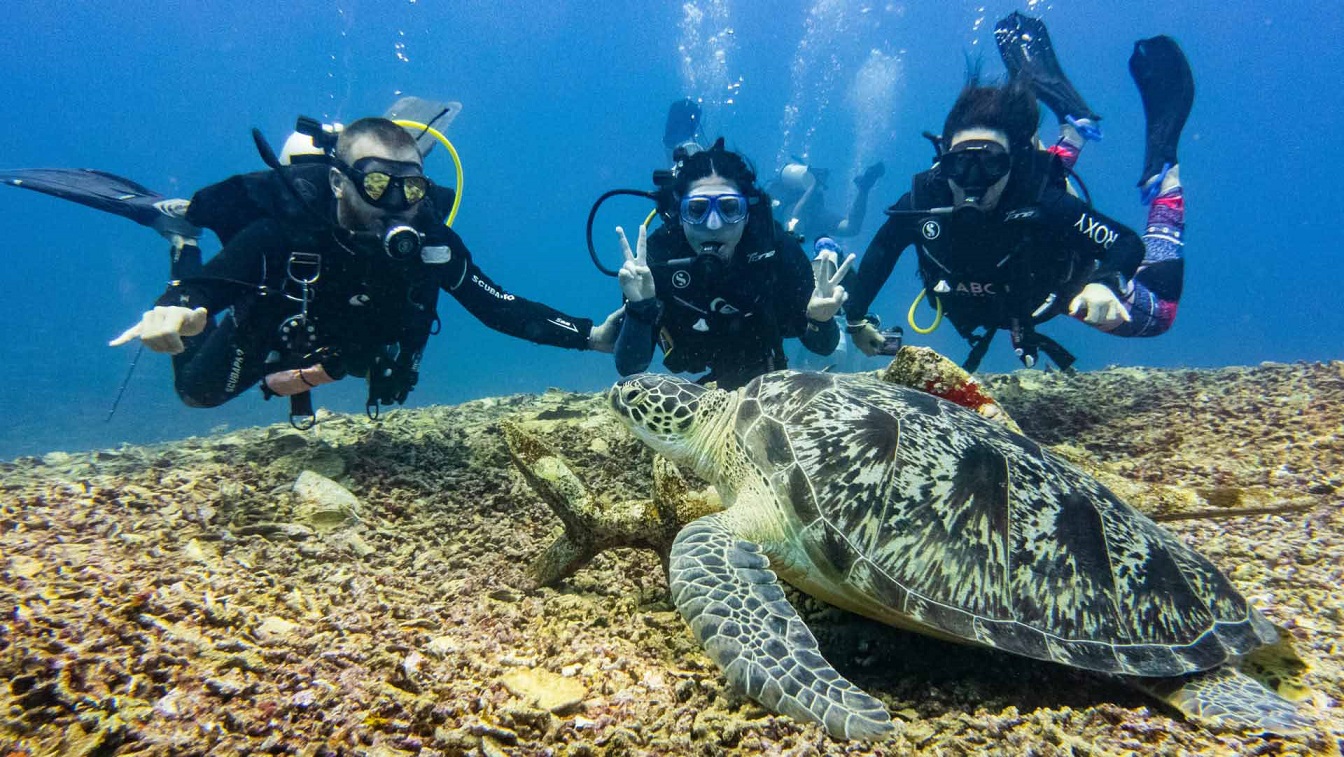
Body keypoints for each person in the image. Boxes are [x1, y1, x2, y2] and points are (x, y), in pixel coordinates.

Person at [109, 117, 620, 423]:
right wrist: (175, 311)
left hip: (352, 342)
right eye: (378, 186)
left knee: (373, 363)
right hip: (280, 321)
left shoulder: (431, 243)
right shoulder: (283, 234)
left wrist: (590, 336)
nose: (398, 205)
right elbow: (204, 288)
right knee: (199, 393)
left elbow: (498, 306)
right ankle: (180, 239)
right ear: (338, 182)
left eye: (412, 189)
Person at [844, 13, 1192, 371]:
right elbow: (883, 248)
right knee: (1030, 173)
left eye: (991, 163)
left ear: (1012, 164)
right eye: (959, 165)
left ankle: (1164, 172)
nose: (973, 182)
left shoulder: (1043, 201)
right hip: (1005, 293)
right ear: (943, 162)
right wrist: (855, 320)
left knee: (1161, 313)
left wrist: (1106, 283)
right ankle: (1072, 128)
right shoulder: (925, 202)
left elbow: (1126, 244)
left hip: (1055, 290)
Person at [611, 138, 851, 390]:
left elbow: (824, 347)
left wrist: (821, 319)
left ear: (747, 213)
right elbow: (629, 367)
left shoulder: (774, 248)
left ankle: (826, 255)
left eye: (729, 208)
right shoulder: (657, 259)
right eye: (697, 210)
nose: (713, 225)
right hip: (699, 360)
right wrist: (640, 308)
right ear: (679, 216)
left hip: (762, 367)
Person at [767, 159, 885, 240]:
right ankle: (864, 187)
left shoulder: (798, 224)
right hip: (810, 212)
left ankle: (864, 187)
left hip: (810, 211)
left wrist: (813, 186)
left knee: (793, 228)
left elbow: (794, 218)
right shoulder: (772, 211)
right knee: (851, 229)